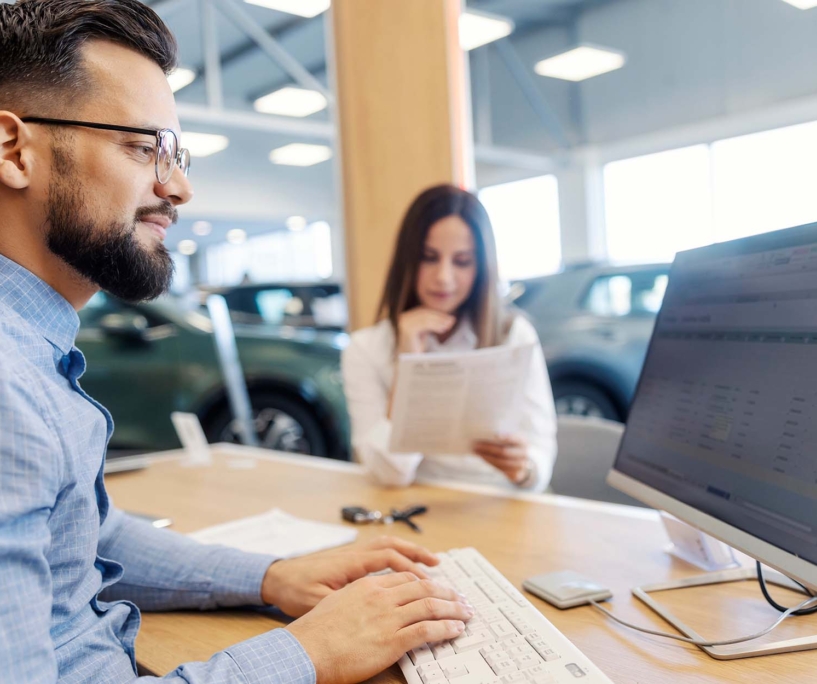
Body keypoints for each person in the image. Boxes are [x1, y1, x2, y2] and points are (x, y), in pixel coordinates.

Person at [0, 1, 474, 682]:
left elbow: (89, 539)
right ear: (15, 150)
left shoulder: (31, 351)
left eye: (176, 154)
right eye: (144, 147)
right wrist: (309, 654)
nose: (179, 187)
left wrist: (273, 577)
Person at [342, 185, 557, 491]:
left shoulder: (515, 335)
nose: (443, 277)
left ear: (481, 267)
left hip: (499, 500)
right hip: (417, 503)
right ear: (408, 260)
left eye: (462, 261)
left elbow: (540, 455)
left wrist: (523, 468)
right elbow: (389, 476)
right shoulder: (366, 349)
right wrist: (409, 362)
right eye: (429, 257)